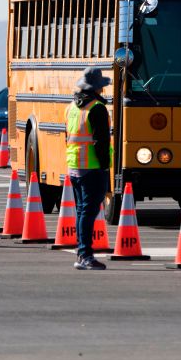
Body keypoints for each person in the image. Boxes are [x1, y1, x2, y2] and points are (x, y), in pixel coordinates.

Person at [65, 67, 112, 271]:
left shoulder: (72, 107)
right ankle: (85, 254)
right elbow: (100, 142)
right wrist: (105, 167)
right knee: (88, 212)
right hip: (92, 167)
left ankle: (81, 252)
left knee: (81, 211)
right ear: (97, 89)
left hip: (74, 166)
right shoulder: (97, 109)